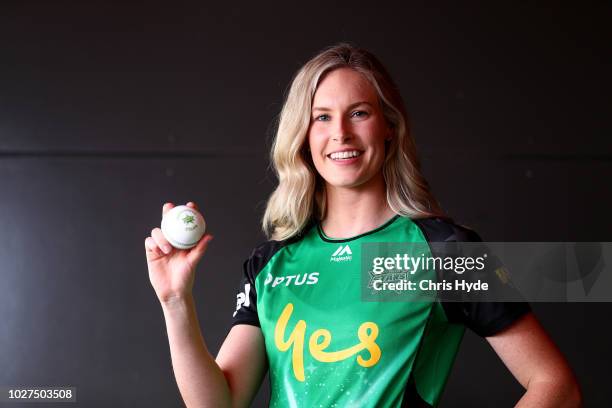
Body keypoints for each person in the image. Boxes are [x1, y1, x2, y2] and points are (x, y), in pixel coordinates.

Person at [145, 43, 582, 407]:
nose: (341, 134)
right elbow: (218, 403)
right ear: (303, 135)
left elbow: (555, 386)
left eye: (359, 113)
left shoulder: (445, 252)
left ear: (389, 127)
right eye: (322, 117)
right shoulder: (271, 265)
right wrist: (174, 300)